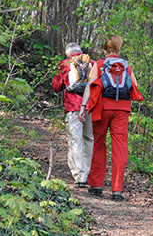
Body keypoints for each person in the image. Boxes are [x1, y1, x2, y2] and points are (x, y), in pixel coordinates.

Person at [78, 36, 143, 201]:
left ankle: (96, 185)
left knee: (99, 144)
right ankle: (117, 190)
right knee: (119, 148)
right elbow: (134, 87)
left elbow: (90, 87)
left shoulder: (99, 64)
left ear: (105, 51)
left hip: (101, 108)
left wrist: (83, 107)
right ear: (119, 50)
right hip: (122, 110)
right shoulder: (126, 66)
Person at [52, 42, 94, 188]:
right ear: (81, 52)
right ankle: (87, 174)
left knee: (75, 140)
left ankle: (79, 176)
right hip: (91, 107)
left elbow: (56, 86)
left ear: (68, 54)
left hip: (73, 107)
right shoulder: (92, 63)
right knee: (88, 139)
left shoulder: (65, 64)